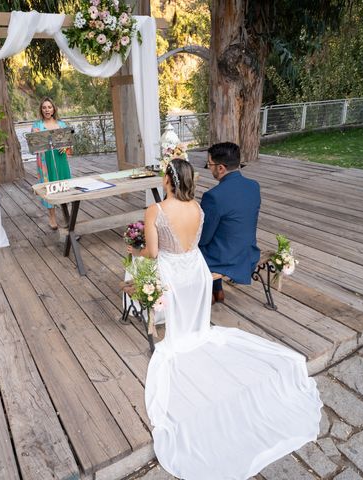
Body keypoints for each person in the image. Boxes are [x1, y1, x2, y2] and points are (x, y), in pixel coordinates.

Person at [127, 159, 322, 480]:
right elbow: (193, 244)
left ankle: (151, 316)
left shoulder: (156, 210)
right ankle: (188, 330)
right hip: (197, 274)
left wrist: (132, 249)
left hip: (172, 274)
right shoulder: (199, 209)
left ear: (168, 180)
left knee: (135, 268)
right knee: (200, 333)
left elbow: (151, 253)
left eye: (163, 175)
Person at [199, 142, 260, 304]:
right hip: (248, 251)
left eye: (209, 164)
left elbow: (204, 237)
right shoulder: (254, 186)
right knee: (221, 236)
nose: (209, 168)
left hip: (226, 258)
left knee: (196, 247)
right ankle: (217, 290)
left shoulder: (213, 196)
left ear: (220, 168)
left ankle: (208, 292)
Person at [32, 97, 72, 230]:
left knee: (64, 185)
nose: (47, 110)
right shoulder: (37, 126)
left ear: (54, 109)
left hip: (60, 159)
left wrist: (65, 146)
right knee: (50, 187)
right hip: (46, 160)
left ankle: (67, 216)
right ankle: (52, 218)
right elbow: (34, 145)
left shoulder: (61, 124)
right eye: (44, 108)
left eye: (49, 107)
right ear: (41, 110)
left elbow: (69, 143)